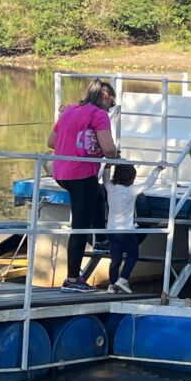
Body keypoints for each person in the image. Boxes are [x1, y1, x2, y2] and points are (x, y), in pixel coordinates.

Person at [48, 79, 118, 292]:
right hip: (81, 174)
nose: (111, 107)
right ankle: (72, 280)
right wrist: (116, 154)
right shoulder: (99, 115)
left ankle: (102, 239)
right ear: (105, 96)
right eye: (112, 102)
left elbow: (51, 142)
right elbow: (108, 149)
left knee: (98, 192)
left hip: (61, 172)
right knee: (80, 227)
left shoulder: (69, 110)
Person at [103, 162, 165, 294]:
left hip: (111, 230)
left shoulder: (110, 188)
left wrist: (107, 166)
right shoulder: (132, 190)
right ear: (131, 178)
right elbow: (149, 183)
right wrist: (157, 169)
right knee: (133, 255)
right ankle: (123, 279)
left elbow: (105, 179)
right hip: (127, 231)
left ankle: (112, 284)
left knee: (115, 259)